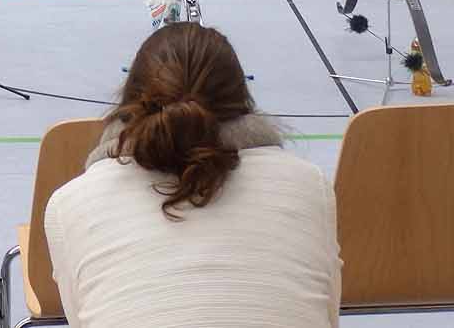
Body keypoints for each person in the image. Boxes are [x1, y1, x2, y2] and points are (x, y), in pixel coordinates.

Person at [45, 24, 340, 328]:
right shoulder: (309, 185)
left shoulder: (69, 204)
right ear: (242, 102)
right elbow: (327, 316)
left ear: (130, 103)